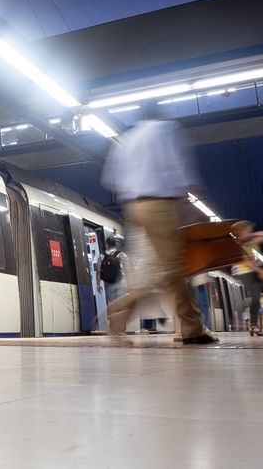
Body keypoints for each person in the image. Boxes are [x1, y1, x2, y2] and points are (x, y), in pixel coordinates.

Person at [100, 103, 216, 345]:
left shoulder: (127, 138)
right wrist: (196, 202)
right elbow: (179, 169)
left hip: (134, 207)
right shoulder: (166, 129)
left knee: (159, 270)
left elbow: (112, 179)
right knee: (175, 269)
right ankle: (191, 329)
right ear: (159, 113)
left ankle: (125, 313)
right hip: (161, 204)